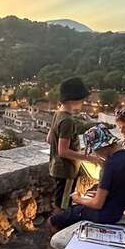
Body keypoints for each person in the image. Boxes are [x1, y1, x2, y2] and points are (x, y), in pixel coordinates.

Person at [47, 124, 125, 232]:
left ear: (100, 147)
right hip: (118, 210)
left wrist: (78, 199)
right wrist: (99, 195)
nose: (95, 154)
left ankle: (59, 244)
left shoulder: (109, 165)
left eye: (94, 150)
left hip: (105, 215)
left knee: (52, 220)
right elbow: (120, 189)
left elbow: (97, 204)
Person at [46, 77, 100, 211]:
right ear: (73, 99)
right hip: (66, 171)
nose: (83, 102)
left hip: (56, 167)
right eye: (82, 99)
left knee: (59, 202)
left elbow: (49, 139)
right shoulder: (68, 121)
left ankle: (55, 225)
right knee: (63, 206)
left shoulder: (57, 114)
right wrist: (90, 158)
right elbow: (63, 151)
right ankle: (57, 229)